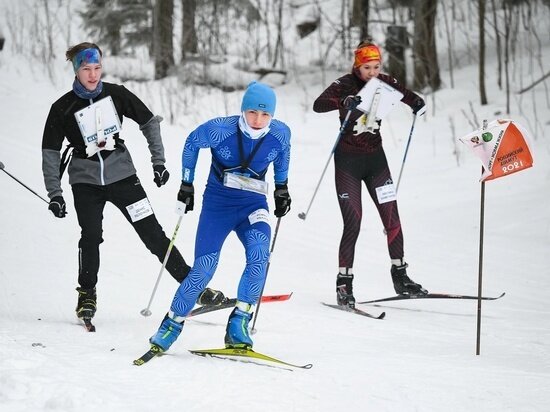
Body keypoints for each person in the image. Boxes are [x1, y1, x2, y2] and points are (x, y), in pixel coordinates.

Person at [41, 42, 222, 325]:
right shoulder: (62, 107)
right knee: (90, 237)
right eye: (86, 69)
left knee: (153, 235)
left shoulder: (116, 95)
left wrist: (158, 162)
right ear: (76, 70)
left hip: (123, 177)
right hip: (85, 182)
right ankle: (87, 294)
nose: (92, 75)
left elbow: (149, 122)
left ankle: (193, 287)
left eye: (97, 68)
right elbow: (50, 152)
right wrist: (55, 193)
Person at [147, 81, 291, 352]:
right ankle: (172, 323)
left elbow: (284, 155)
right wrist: (186, 184)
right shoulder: (221, 129)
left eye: (265, 115)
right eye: (252, 113)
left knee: (260, 256)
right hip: (218, 207)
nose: (258, 120)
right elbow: (191, 143)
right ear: (243, 110)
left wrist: (282, 187)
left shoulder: (280, 133)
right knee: (204, 268)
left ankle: (239, 323)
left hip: (253, 205)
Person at [312, 40, 428, 308]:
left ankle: (401, 277)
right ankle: (344, 285)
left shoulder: (384, 81)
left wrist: (416, 102)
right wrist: (344, 101)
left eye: (376, 67)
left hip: (376, 162)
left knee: (392, 218)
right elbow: (319, 105)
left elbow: (407, 95)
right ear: (357, 66)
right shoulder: (344, 84)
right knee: (353, 222)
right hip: (348, 164)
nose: (372, 72)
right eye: (367, 67)